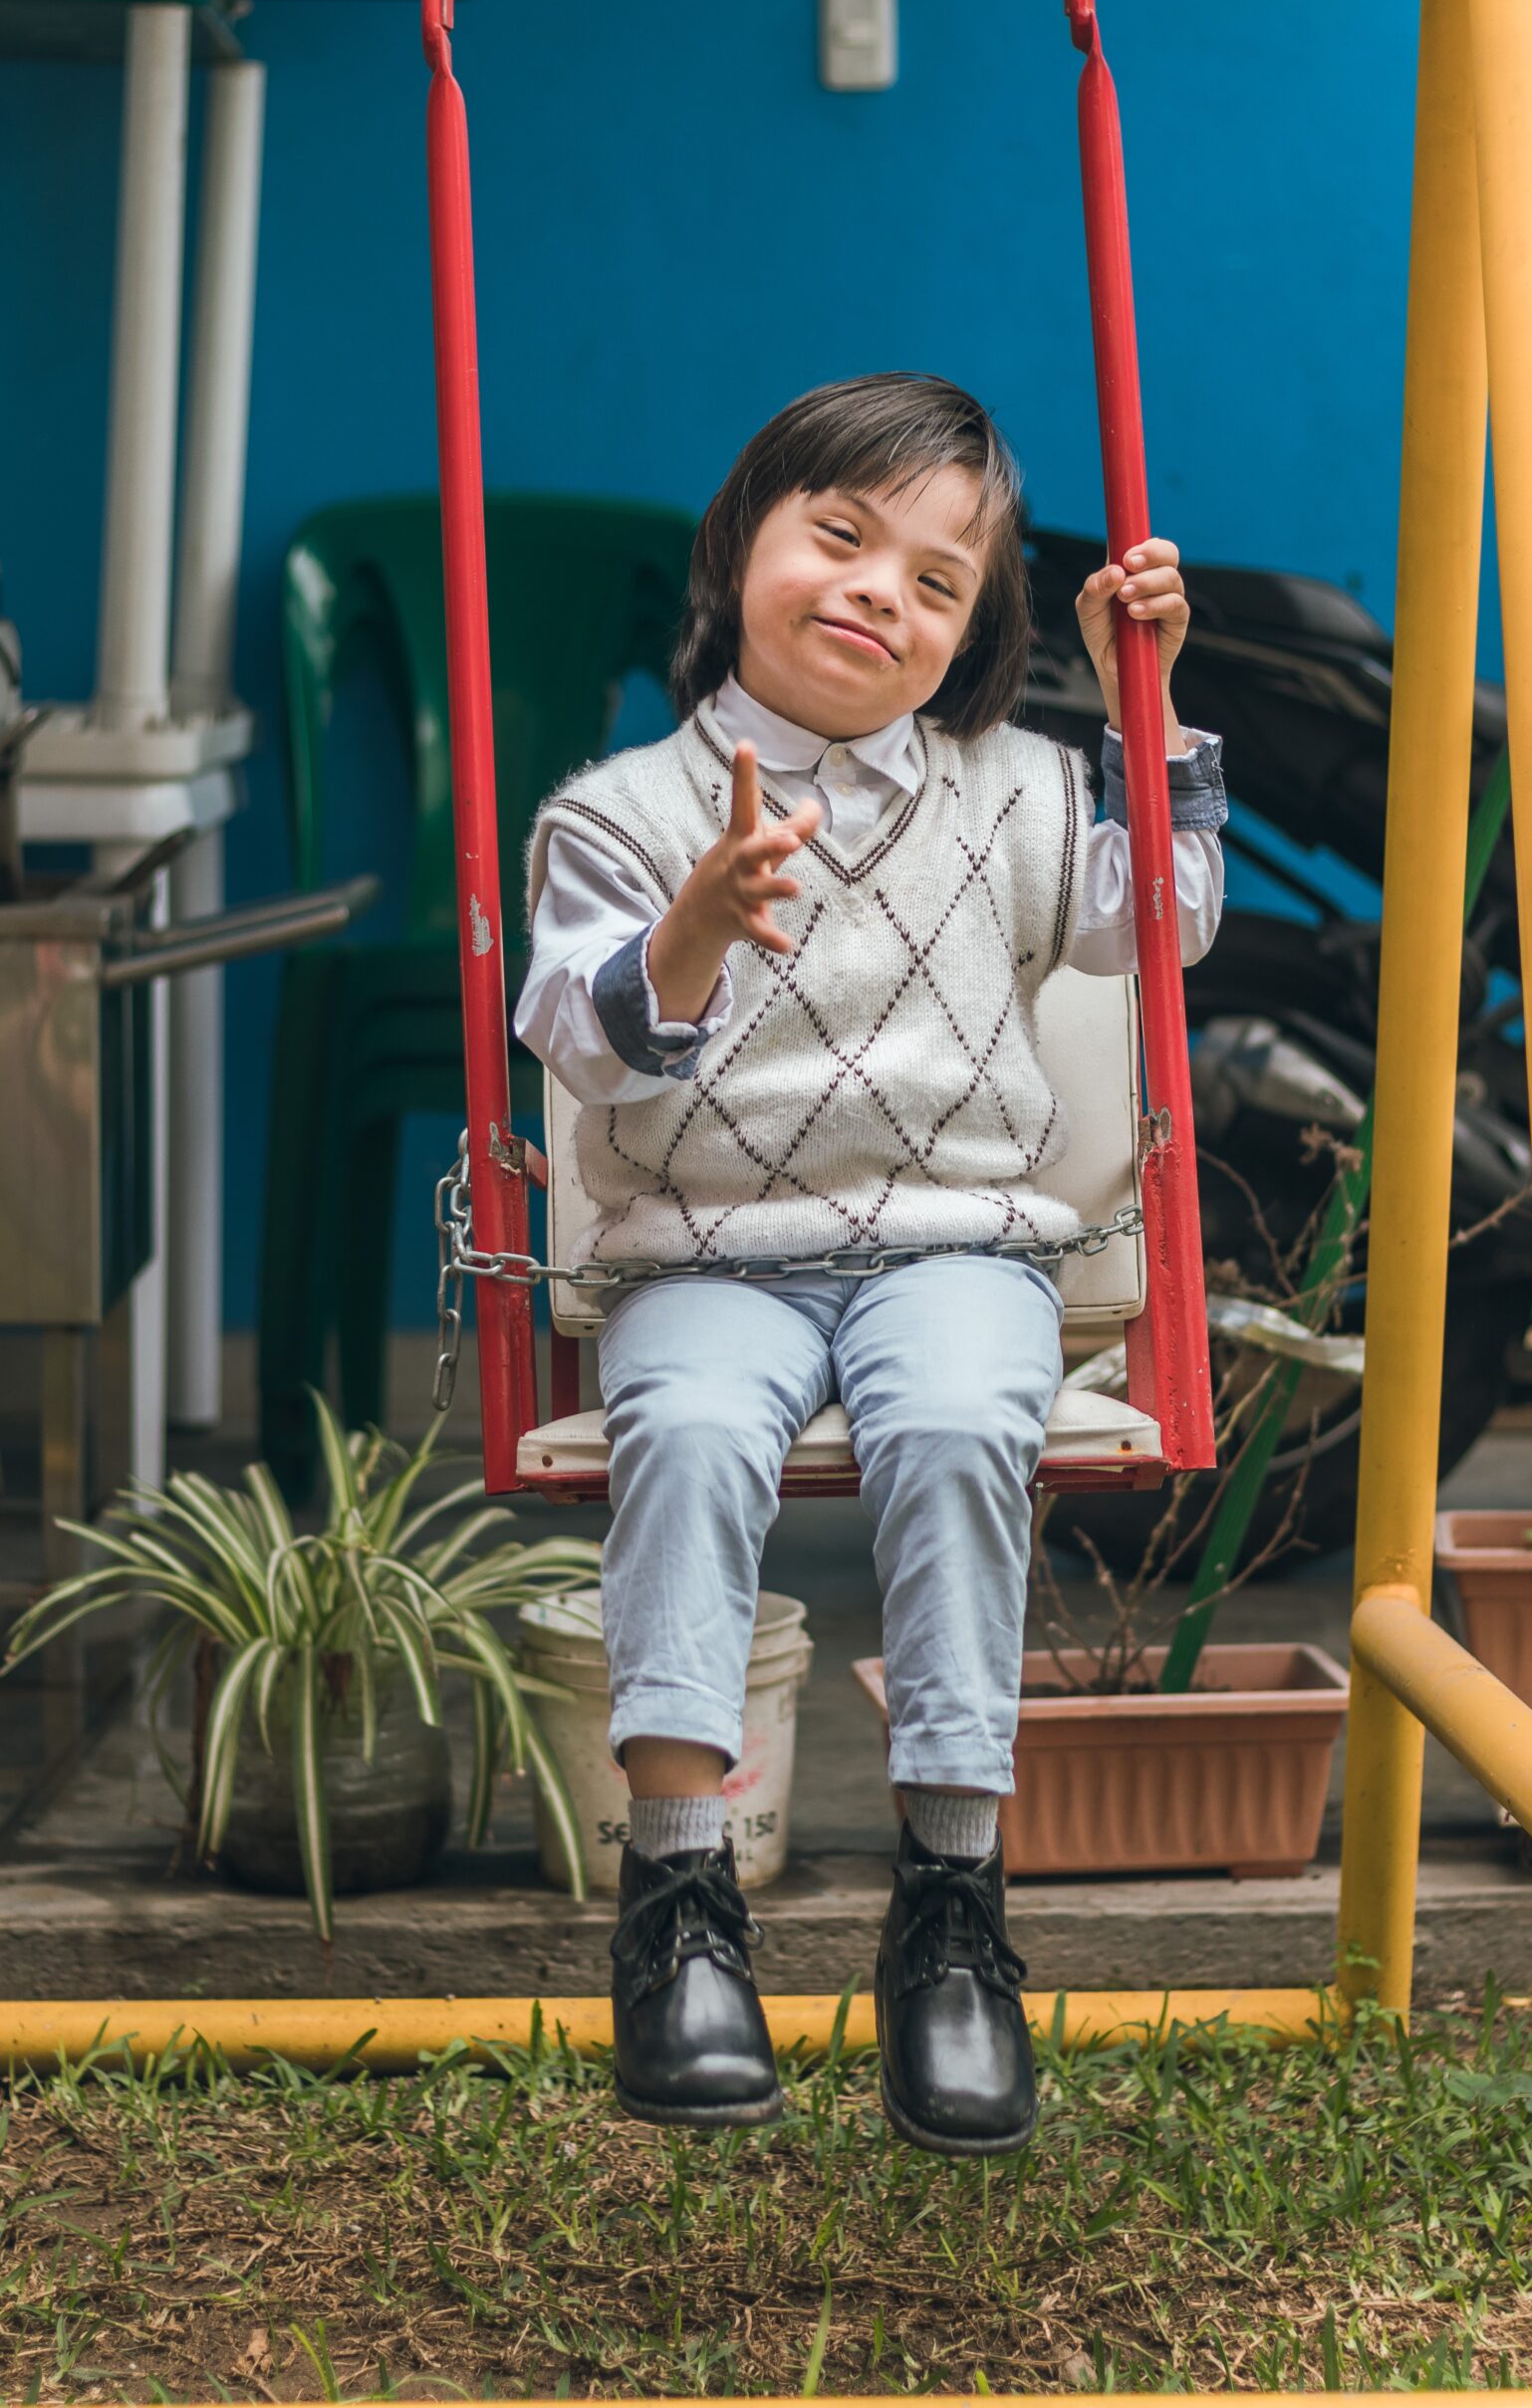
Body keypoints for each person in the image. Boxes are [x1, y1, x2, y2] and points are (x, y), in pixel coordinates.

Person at [515, 371, 1226, 2155]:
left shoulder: (1022, 791)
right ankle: (679, 1904)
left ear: (975, 634)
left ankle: (955, 1919)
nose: (873, 594)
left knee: (967, 1429)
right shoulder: (617, 811)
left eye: (933, 581)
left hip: (956, 1245)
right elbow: (576, 1045)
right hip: (708, 1254)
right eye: (838, 536)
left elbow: (1173, 920)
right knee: (678, 1442)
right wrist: (693, 922)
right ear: (743, 537)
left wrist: (1150, 698)